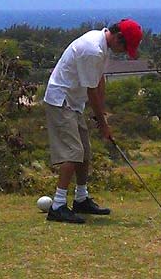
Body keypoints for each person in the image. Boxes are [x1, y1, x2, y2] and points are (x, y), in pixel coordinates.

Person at [43, 19, 142, 223]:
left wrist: (100, 115)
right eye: (125, 47)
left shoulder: (102, 47)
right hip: (60, 100)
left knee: (85, 151)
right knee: (73, 152)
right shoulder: (93, 50)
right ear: (118, 37)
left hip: (73, 102)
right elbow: (91, 91)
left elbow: (99, 80)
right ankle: (58, 206)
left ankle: (81, 199)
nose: (124, 52)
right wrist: (103, 124)